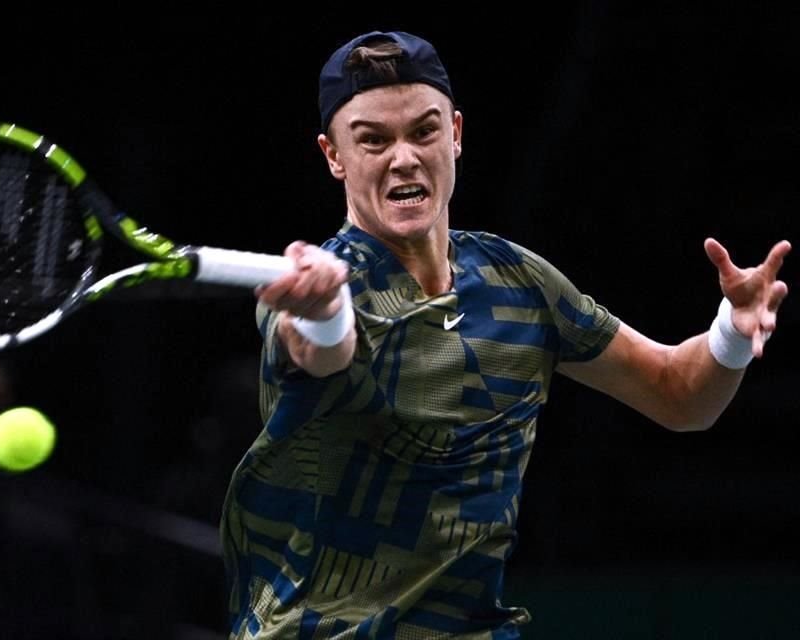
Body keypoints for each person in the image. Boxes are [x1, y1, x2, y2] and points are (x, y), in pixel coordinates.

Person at [220, 30, 791, 638]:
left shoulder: (518, 280)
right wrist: (323, 310)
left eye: (423, 131)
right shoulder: (317, 293)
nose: (404, 157)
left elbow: (679, 394)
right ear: (334, 156)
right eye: (373, 141)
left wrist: (731, 330)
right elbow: (322, 352)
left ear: (456, 135)